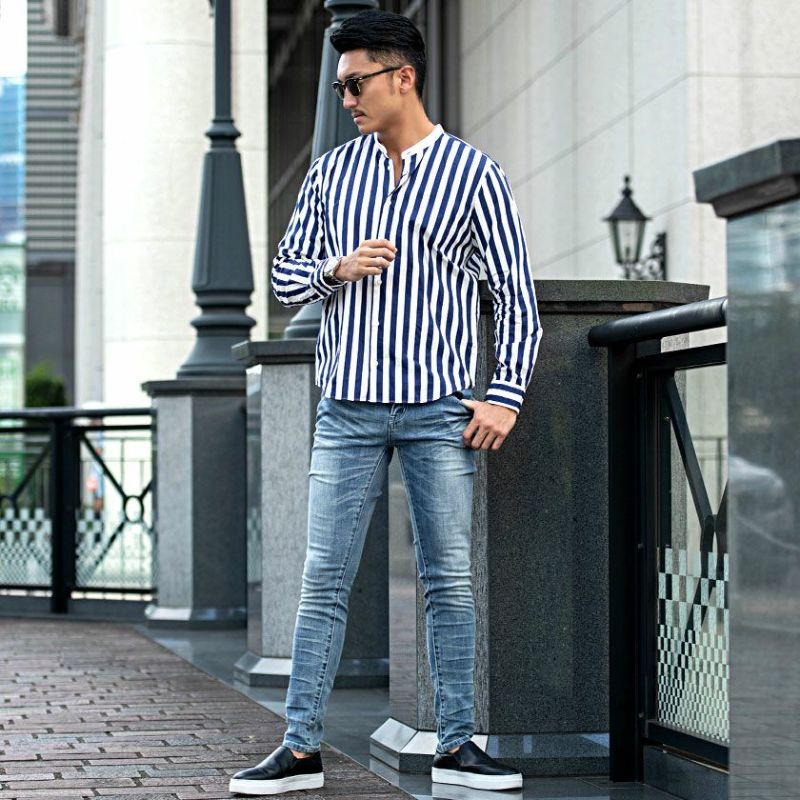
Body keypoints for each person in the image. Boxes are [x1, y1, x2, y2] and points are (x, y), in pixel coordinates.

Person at [229, 9, 542, 797]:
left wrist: (504, 397)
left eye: (355, 84)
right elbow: (285, 277)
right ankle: (300, 748)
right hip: (347, 408)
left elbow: (515, 298)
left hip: (439, 408)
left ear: (403, 76)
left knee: (449, 582)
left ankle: (457, 746)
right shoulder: (333, 174)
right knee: (322, 581)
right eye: (340, 87)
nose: (346, 100)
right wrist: (334, 268)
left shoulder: (475, 175)